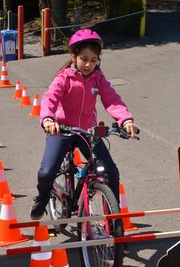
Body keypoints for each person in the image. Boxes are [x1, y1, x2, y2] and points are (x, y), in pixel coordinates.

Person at [30, 28, 139, 220]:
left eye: (94, 60)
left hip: (87, 131)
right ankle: (43, 197)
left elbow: (112, 100)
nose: (88, 64)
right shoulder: (64, 78)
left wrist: (126, 120)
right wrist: (48, 119)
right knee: (47, 172)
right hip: (61, 129)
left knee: (111, 172)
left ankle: (114, 219)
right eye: (84, 59)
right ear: (74, 56)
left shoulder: (99, 79)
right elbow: (50, 98)